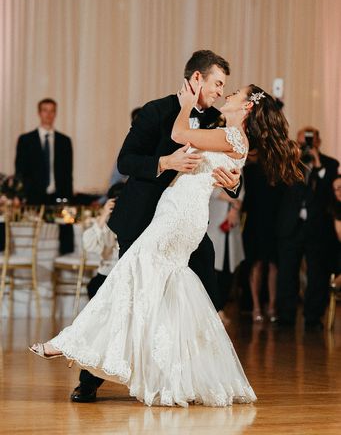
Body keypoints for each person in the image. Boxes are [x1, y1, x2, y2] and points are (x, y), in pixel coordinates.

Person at [30, 81, 302, 408]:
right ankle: (166, 375)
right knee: (163, 290)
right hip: (175, 215)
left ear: (246, 108)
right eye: (219, 84)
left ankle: (71, 343)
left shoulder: (231, 135)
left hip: (178, 219)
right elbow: (139, 159)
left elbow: (179, 135)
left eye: (232, 92)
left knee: (129, 276)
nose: (225, 93)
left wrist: (186, 106)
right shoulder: (223, 133)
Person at [66, 50, 241, 403]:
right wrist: (166, 161)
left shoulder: (214, 122)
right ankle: (90, 379)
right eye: (217, 83)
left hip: (183, 229)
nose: (221, 92)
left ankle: (187, 380)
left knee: (203, 296)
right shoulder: (155, 111)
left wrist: (232, 183)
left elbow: (229, 166)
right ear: (196, 79)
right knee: (128, 298)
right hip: (143, 221)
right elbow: (126, 160)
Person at [276, 127, 339, 329]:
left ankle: (313, 318)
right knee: (287, 272)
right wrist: (296, 157)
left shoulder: (330, 164)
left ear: (318, 142)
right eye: (303, 142)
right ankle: (286, 316)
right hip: (291, 226)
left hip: (317, 227)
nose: (306, 146)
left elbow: (329, 191)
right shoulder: (290, 162)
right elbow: (283, 184)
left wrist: (317, 163)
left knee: (316, 274)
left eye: (310, 142)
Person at [242, 151, 283, 322]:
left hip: (276, 222)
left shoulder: (280, 171)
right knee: (256, 264)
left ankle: (272, 305)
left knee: (274, 265)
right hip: (255, 222)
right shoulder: (250, 170)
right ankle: (256, 306)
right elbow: (245, 199)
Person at [15, 98, 73, 205]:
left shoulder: (64, 141)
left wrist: (68, 199)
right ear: (39, 113)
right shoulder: (26, 140)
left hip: (57, 198)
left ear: (55, 113)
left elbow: (68, 174)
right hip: (32, 198)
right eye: (45, 110)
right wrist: (19, 196)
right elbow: (20, 172)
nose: (48, 114)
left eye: (52, 111)